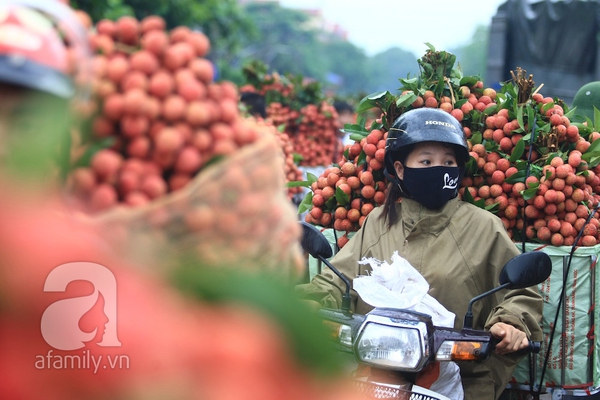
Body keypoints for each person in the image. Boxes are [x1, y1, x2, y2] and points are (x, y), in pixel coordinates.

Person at [295, 107, 543, 400]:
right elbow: (340, 277)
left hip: (461, 380)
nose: (439, 169)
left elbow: (520, 291)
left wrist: (511, 322)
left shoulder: (484, 226)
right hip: (375, 376)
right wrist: (310, 300)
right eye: (426, 161)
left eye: (448, 162)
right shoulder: (378, 221)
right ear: (400, 169)